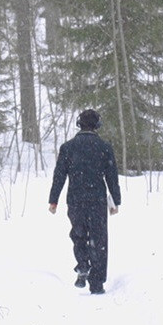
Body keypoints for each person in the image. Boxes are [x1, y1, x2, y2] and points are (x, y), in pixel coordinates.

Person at [48, 109, 121, 294]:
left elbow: (59, 176)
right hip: (97, 200)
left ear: (79, 124)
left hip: (75, 199)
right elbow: (112, 176)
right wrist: (115, 201)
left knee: (78, 234)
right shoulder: (104, 147)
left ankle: (82, 265)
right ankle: (96, 284)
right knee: (99, 239)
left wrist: (53, 199)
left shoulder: (68, 147)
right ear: (97, 125)